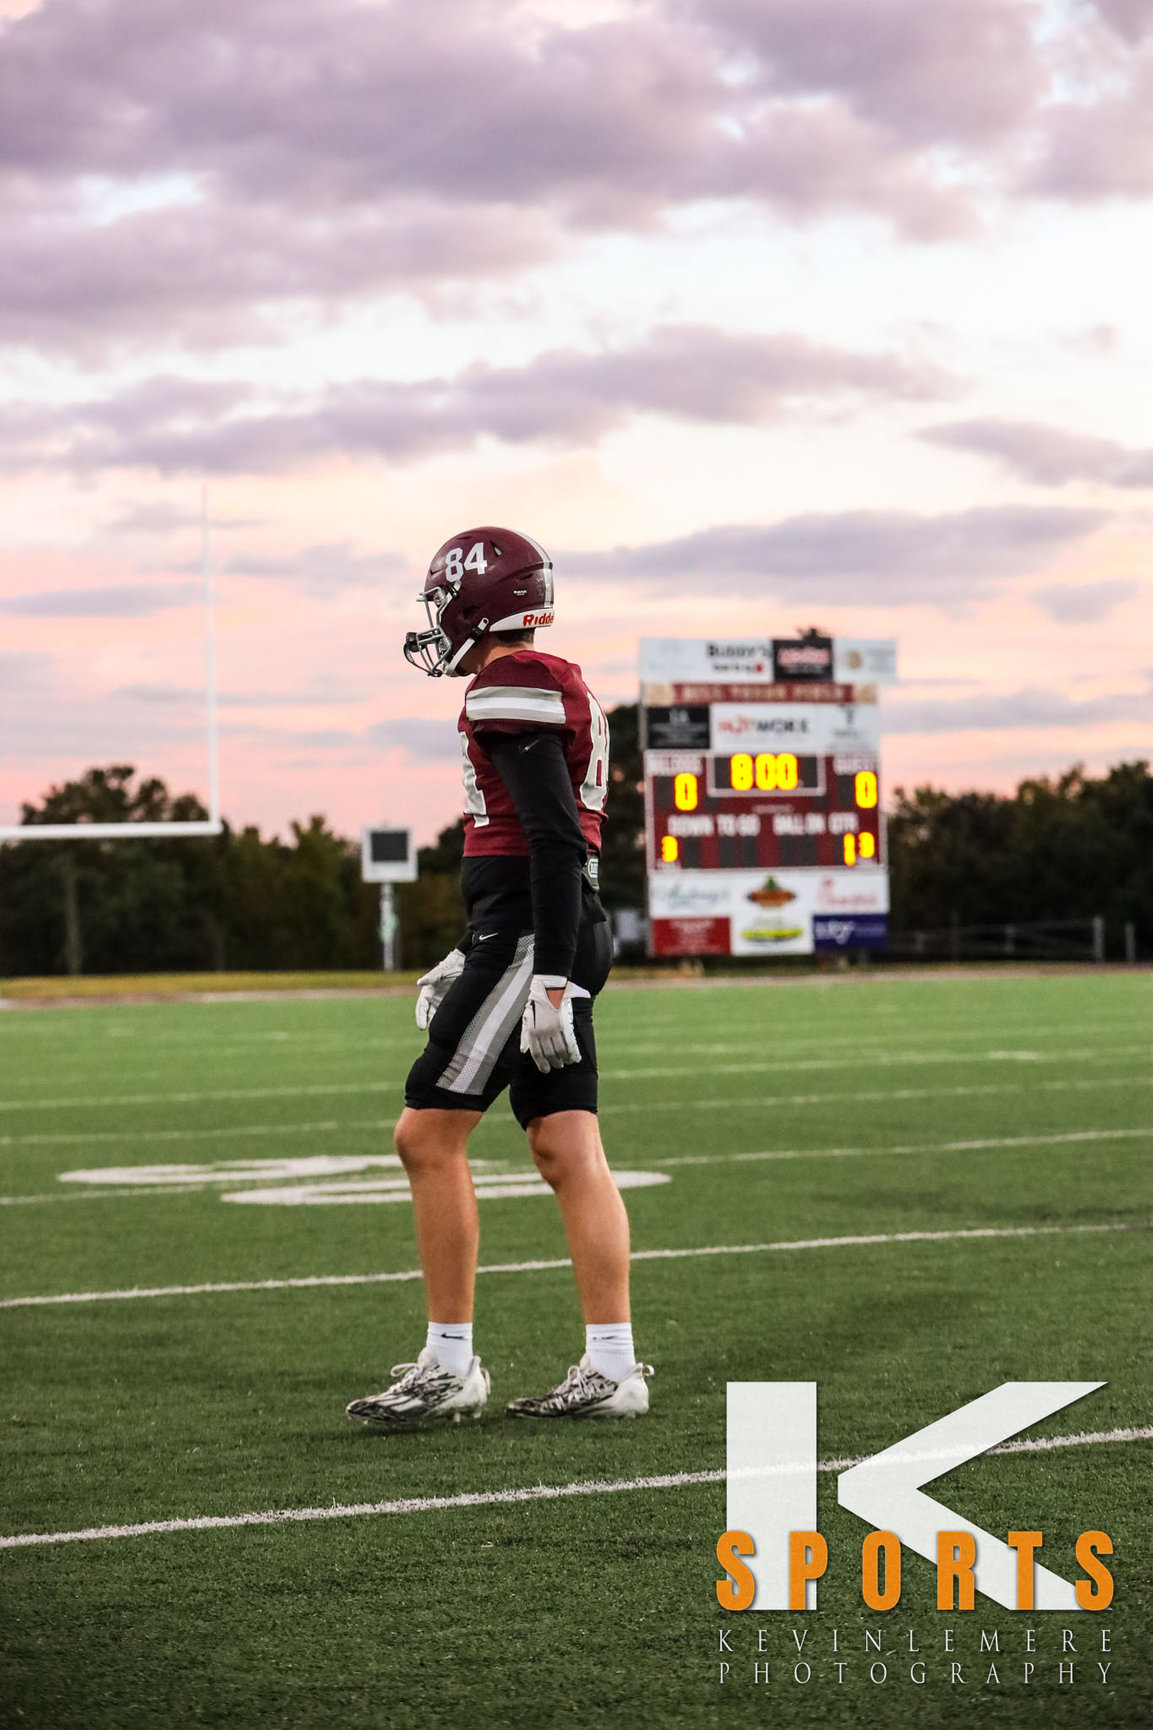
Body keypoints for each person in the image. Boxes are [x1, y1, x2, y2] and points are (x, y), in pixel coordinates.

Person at [346, 527, 651, 1430]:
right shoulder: (549, 678)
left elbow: (553, 839)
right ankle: (612, 1366)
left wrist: (540, 969)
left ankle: (448, 1364)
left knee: (425, 1136)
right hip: (538, 927)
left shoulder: (510, 680)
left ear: (473, 597)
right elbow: (545, 839)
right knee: (564, 1146)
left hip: (532, 935)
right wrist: (483, 942)